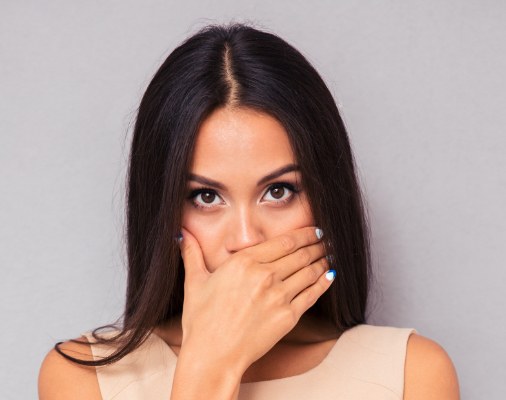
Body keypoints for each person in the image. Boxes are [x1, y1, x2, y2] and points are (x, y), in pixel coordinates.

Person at [38, 23, 460, 399]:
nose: (245, 239)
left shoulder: (411, 374)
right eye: (205, 197)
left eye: (278, 191)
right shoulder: (82, 379)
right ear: (163, 212)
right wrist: (210, 365)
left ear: (327, 199)